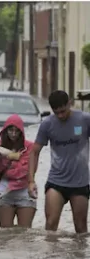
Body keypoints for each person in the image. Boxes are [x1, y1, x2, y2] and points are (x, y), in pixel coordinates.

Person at [28, 90, 90, 233]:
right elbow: (34, 152)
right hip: (56, 182)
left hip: (80, 183)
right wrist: (30, 180)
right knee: (50, 225)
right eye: (57, 113)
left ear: (69, 104)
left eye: (63, 111)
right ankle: (51, 256)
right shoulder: (47, 125)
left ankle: (79, 255)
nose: (61, 116)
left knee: (81, 228)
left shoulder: (85, 119)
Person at [0, 114, 37, 228]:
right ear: (5, 131)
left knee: (25, 234)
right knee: (6, 235)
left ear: (21, 132)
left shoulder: (30, 147)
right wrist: (11, 157)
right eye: (10, 130)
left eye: (17, 131)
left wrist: (5, 158)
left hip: (25, 192)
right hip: (4, 192)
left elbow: (25, 170)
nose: (13, 134)